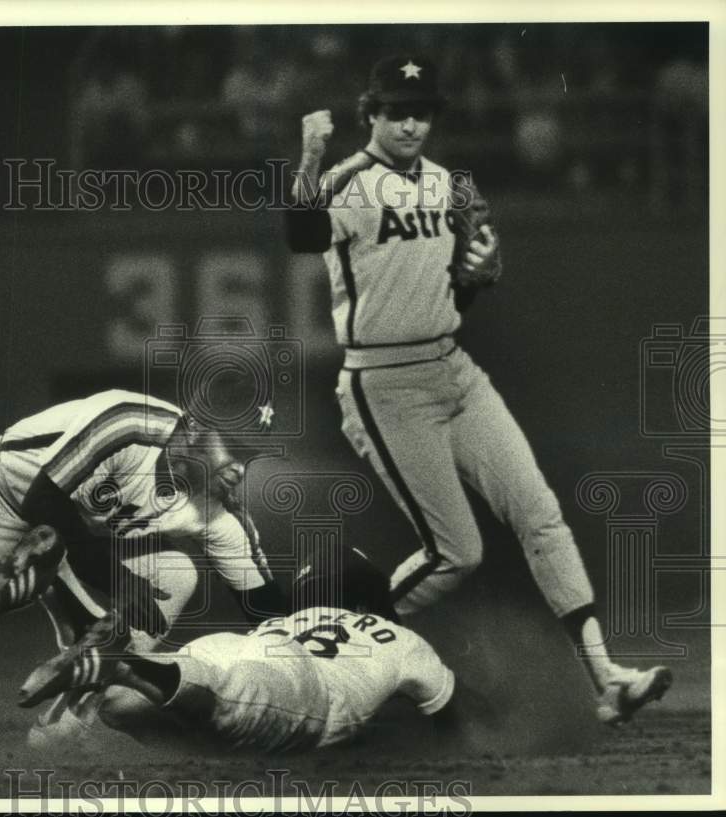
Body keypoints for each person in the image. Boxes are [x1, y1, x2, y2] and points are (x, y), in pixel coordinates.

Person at [283, 54, 671, 725]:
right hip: (385, 382)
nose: (410, 122)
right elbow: (300, 234)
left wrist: (479, 275)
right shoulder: (349, 181)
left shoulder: (450, 185)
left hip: (454, 367)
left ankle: (607, 677)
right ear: (369, 115)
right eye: (396, 110)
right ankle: (329, 657)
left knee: (540, 510)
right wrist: (309, 160)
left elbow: (459, 288)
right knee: (457, 553)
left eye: (422, 111)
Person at [0, 388, 285, 768]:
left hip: (74, 532)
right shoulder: (130, 422)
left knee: (176, 575)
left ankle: (72, 708)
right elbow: (45, 497)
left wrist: (328, 631)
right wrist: (116, 582)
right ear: (193, 432)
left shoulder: (219, 515)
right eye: (234, 449)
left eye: (249, 456)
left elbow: (266, 610)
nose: (239, 469)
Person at [17, 545, 469, 753]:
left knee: (120, 709)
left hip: (235, 647)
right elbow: (451, 716)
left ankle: (65, 585)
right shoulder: (403, 640)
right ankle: (124, 663)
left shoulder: (293, 617)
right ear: (367, 601)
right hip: (303, 688)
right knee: (225, 704)